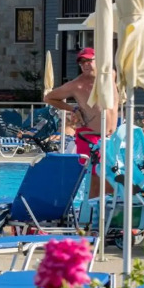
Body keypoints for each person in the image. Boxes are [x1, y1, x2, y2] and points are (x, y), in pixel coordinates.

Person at [44, 48, 117, 196]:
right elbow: (49, 98)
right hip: (90, 136)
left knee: (111, 179)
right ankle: (91, 208)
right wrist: (73, 109)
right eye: (82, 62)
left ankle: (103, 207)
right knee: (95, 177)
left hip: (111, 137)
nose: (85, 64)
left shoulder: (110, 75)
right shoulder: (77, 85)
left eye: (89, 60)